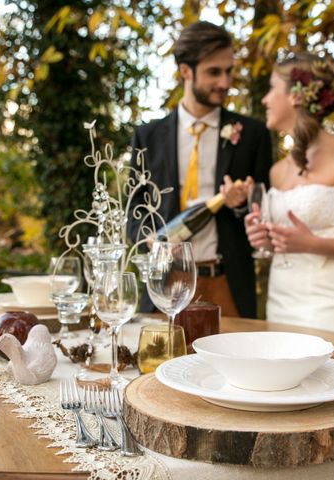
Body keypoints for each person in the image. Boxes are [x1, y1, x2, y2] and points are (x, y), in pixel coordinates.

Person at [129, 21, 273, 318]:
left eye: (229, 71)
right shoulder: (148, 136)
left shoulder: (253, 134)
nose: (225, 82)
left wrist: (240, 204)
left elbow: (265, 211)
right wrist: (147, 242)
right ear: (185, 71)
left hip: (227, 281)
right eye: (213, 72)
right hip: (164, 283)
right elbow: (136, 209)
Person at [245, 52, 334, 338]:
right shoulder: (277, 171)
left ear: (296, 97)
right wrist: (266, 239)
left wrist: (312, 243)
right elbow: (286, 243)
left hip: (332, 306)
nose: (264, 99)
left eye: (272, 88)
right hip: (281, 303)